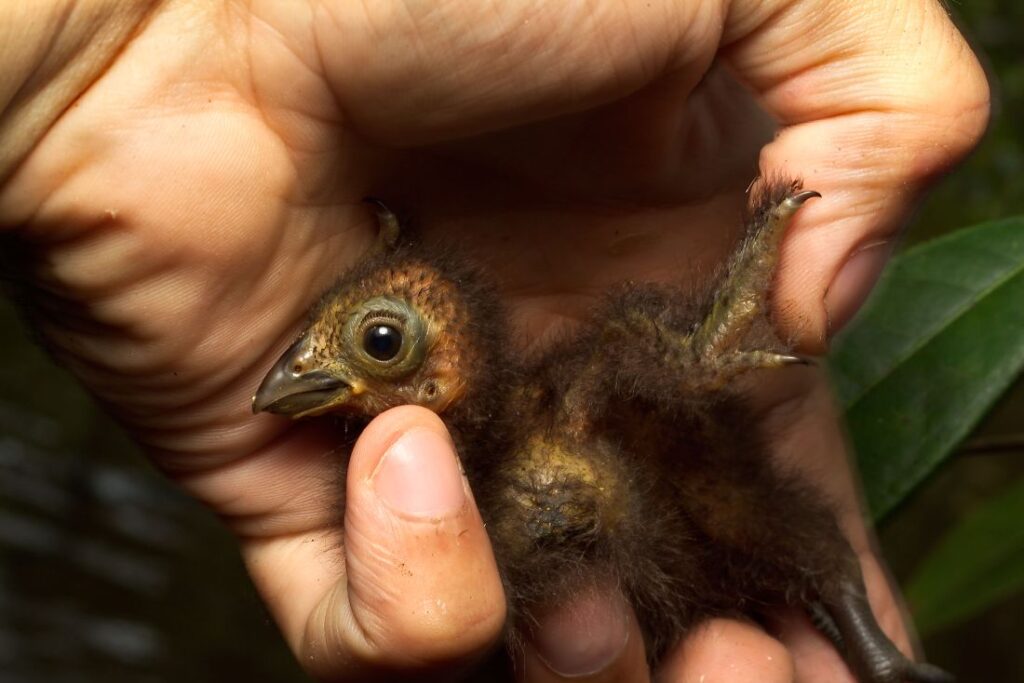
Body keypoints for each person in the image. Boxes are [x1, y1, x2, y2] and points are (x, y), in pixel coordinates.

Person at [0, 1, 988, 681]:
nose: (309, 376)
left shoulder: (594, 383)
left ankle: (874, 648)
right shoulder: (493, 468)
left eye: (377, 339)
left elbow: (664, 375)